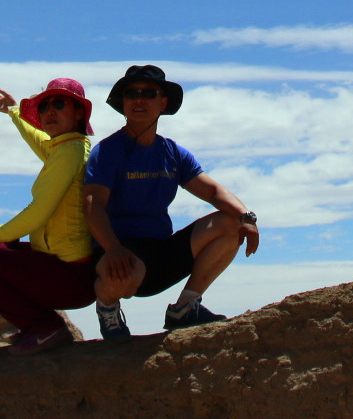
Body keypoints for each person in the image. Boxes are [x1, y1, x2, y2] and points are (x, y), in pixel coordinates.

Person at [84, 64, 259, 340]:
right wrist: (113, 249)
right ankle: (108, 309)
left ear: (163, 102)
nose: (139, 99)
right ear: (123, 102)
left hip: (161, 252)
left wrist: (247, 218)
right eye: (132, 94)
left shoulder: (172, 152)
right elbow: (93, 206)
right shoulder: (107, 151)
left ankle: (185, 307)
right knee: (120, 276)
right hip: (117, 252)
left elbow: (212, 192)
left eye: (148, 93)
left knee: (230, 223)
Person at [0, 77, 97, 355]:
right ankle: (40, 326)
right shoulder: (68, 147)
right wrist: (13, 112)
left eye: (59, 103)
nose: (49, 111)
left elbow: (38, 212)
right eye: (45, 105)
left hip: (70, 276)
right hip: (68, 270)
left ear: (79, 112)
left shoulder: (69, 153)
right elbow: (39, 140)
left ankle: (45, 329)